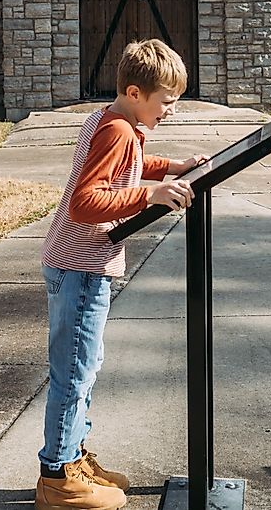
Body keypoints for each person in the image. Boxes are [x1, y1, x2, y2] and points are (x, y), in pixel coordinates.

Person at [35, 39, 208, 510]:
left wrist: (173, 166)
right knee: (73, 374)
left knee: (83, 368)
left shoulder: (115, 121)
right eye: (166, 102)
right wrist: (150, 195)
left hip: (78, 265)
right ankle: (57, 478)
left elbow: (130, 165)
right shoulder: (118, 130)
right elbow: (86, 203)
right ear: (135, 92)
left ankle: (72, 458)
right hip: (81, 268)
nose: (171, 111)